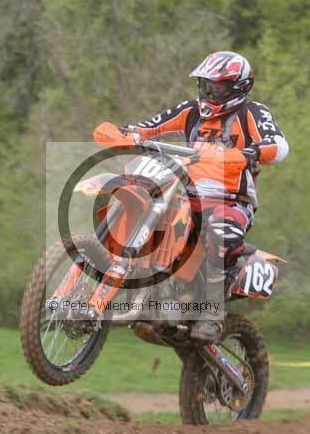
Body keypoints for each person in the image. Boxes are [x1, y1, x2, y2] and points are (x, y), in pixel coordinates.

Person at [119, 51, 289, 342]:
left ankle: (211, 313)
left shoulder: (252, 112)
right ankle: (144, 286)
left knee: (221, 231)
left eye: (218, 87)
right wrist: (129, 133)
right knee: (143, 203)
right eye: (206, 85)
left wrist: (253, 152)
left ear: (239, 87)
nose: (210, 92)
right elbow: (151, 127)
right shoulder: (191, 110)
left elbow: (279, 145)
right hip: (188, 194)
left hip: (232, 200)